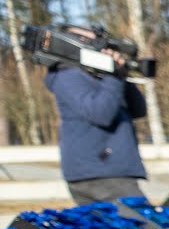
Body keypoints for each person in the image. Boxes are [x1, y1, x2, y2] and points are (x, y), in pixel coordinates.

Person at [43, 26, 148, 204]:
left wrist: (121, 74)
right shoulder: (68, 75)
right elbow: (100, 113)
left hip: (109, 169)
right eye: (89, 41)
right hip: (99, 170)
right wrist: (113, 77)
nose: (98, 46)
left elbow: (138, 109)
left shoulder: (98, 75)